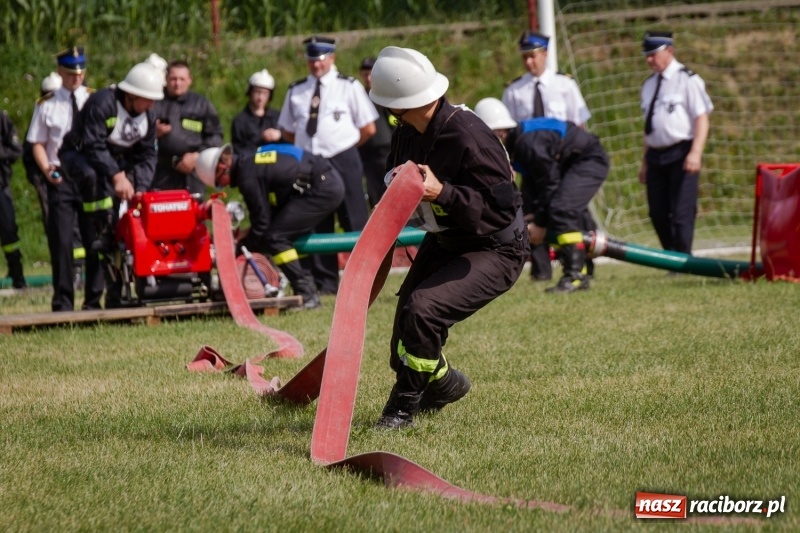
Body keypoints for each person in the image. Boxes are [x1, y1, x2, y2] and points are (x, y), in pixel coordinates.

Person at [367, 47, 528, 430]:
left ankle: (402, 408)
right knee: (403, 341)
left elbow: (500, 212)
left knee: (423, 309)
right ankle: (443, 386)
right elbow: (397, 183)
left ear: (401, 105)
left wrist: (443, 193)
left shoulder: (472, 137)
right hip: (447, 238)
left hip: (498, 246)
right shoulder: (406, 136)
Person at [277, 35, 378, 294]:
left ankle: (363, 281)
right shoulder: (296, 90)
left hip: (343, 157)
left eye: (320, 59)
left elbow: (368, 127)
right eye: (311, 60)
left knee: (354, 218)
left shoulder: (348, 85)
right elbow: (289, 131)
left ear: (332, 58)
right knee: (316, 220)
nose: (315, 65)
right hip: (310, 163)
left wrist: (343, 147)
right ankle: (325, 282)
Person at [475, 97, 609, 293]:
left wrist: (541, 223)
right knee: (558, 208)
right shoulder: (518, 143)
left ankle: (575, 276)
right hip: (569, 163)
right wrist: (530, 215)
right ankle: (583, 271)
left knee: (562, 209)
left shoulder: (527, 145)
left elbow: (549, 184)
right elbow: (535, 184)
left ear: (499, 132)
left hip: (589, 160)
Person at [59, 62, 164, 308]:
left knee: (116, 237)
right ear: (131, 94)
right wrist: (118, 177)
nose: (151, 106)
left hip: (111, 169)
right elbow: (92, 145)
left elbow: (148, 155)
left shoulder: (148, 116)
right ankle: (99, 224)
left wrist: (139, 187)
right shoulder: (102, 103)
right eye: (147, 99)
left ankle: (115, 295)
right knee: (95, 197)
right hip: (80, 160)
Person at [195, 143, 345, 309]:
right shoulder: (250, 163)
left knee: (276, 237)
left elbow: (262, 223)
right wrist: (245, 234)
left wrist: (242, 247)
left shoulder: (247, 176)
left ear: (222, 167)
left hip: (321, 188)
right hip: (323, 181)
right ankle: (307, 291)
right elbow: (265, 217)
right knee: (282, 233)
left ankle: (307, 294)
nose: (225, 186)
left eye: (220, 183)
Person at [502, 30, 594, 283]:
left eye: (533, 56)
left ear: (545, 54)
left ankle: (583, 263)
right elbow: (506, 132)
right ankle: (541, 270)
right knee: (530, 210)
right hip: (531, 165)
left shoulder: (565, 85)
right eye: (524, 58)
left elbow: (579, 125)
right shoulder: (514, 90)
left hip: (563, 162)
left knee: (573, 212)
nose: (529, 62)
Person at [27, 47, 103, 310]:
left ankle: (94, 299)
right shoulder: (47, 104)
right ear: (60, 72)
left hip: (90, 177)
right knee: (61, 239)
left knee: (94, 237)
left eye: (80, 73)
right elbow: (37, 141)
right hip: (62, 176)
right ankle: (63, 300)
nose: (77, 78)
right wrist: (47, 169)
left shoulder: (94, 100)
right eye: (71, 73)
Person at [637, 31, 713, 256]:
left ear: (669, 51)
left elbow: (701, 118)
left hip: (682, 152)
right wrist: (644, 163)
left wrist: (696, 152)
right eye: (646, 55)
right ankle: (672, 257)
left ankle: (682, 258)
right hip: (655, 155)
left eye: (653, 54)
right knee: (657, 211)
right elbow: (648, 126)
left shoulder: (687, 80)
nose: (649, 59)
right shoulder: (648, 85)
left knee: (681, 211)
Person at [151, 60, 223, 195]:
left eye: (182, 79)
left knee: (193, 212)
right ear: (166, 79)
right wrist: (153, 133)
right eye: (173, 79)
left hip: (193, 173)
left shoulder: (202, 104)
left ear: (190, 80)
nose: (177, 83)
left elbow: (216, 135)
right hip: (160, 172)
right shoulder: (154, 101)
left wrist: (198, 155)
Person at [357, 57, 396, 207]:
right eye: (365, 74)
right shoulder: (360, 94)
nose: (368, 78)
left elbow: (394, 120)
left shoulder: (385, 94)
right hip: (367, 151)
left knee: (390, 187)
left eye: (371, 74)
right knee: (375, 192)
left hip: (385, 149)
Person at [231, 69, 284, 154]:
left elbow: (291, 141)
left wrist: (280, 135)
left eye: (265, 93)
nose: (260, 97)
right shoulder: (240, 121)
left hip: (276, 165)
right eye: (257, 92)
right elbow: (238, 150)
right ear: (250, 92)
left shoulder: (278, 117)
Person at [0, 109, 25, 288]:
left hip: (1, 186)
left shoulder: (2, 119)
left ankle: (17, 274)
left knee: (9, 230)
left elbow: (16, 150)